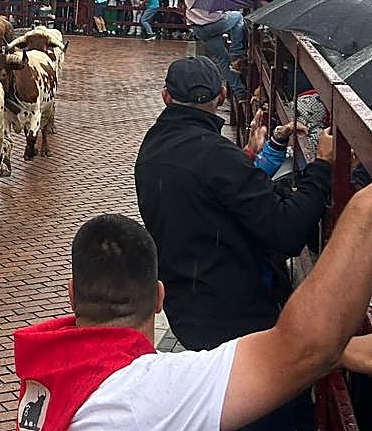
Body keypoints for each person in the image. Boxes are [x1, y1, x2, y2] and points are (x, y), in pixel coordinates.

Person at [13, 162, 372, 431]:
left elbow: (224, 367)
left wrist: (337, 351)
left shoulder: (49, 378)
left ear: (72, 298)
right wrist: (367, 208)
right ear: (160, 296)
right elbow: (300, 348)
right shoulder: (137, 394)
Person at [135, 56, 334, 429]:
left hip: (189, 307)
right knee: (275, 414)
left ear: (166, 97)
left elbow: (215, 199)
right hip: (239, 317)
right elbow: (286, 231)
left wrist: (264, 151)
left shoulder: (153, 150)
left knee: (220, 408)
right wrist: (322, 168)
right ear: (222, 93)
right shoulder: (215, 155)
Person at [185, 0, 247, 98]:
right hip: (214, 22)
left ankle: (240, 94)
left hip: (198, 27)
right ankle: (236, 55)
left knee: (221, 60)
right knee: (238, 17)